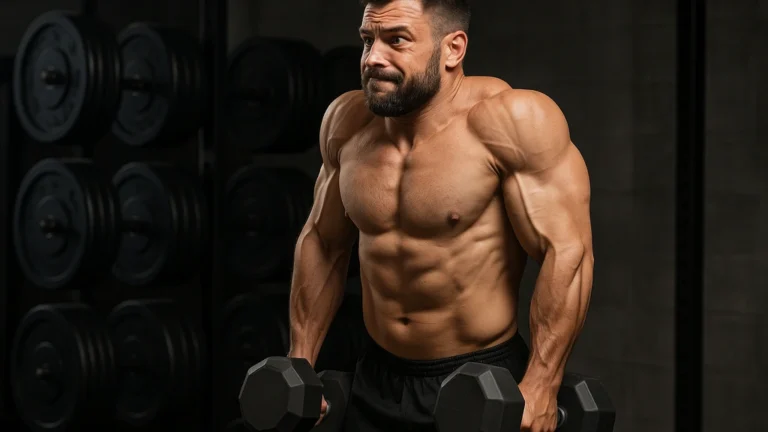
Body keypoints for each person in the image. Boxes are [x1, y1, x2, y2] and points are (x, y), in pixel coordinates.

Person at [286, 1, 594, 431]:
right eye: (367, 40)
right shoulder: (347, 123)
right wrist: (299, 359)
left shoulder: (511, 121)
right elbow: (323, 241)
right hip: (376, 376)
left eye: (396, 40)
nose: (373, 57)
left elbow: (567, 252)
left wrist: (542, 382)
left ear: (453, 49)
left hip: (480, 383)